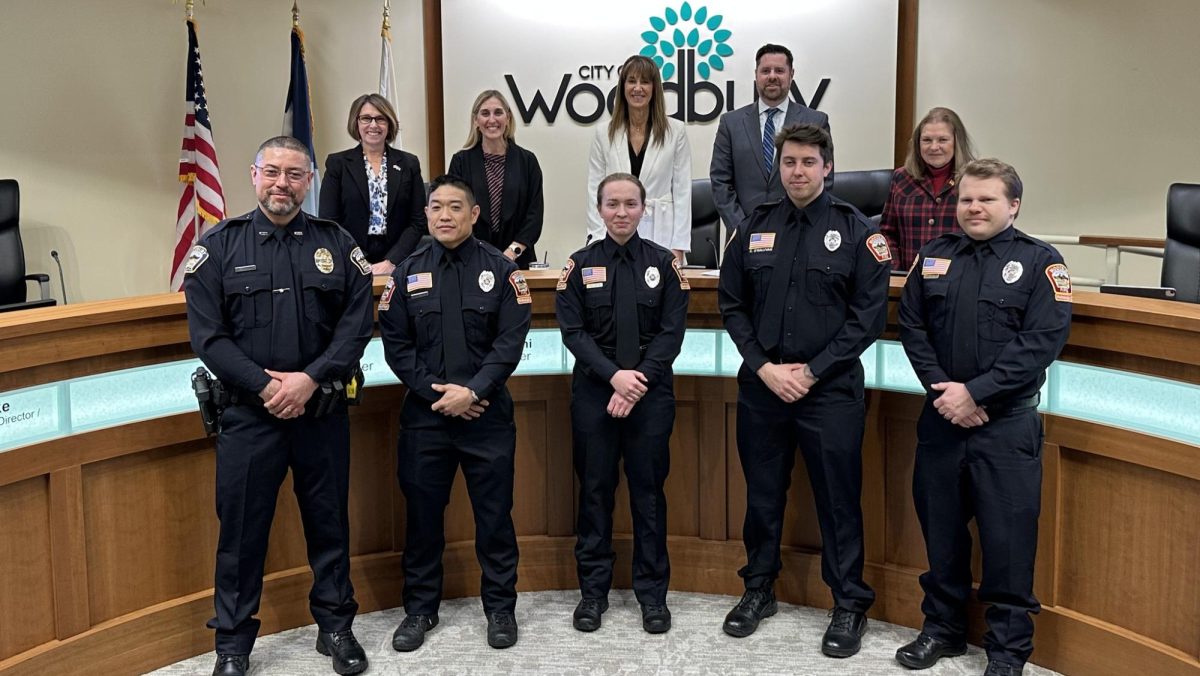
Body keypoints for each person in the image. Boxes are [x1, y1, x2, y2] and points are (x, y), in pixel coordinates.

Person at [183, 136, 373, 676]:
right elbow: (209, 338)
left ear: (309, 180)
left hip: (322, 413)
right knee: (241, 534)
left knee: (329, 524)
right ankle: (233, 645)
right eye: (272, 172)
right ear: (253, 174)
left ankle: (336, 627)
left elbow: (356, 325)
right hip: (248, 416)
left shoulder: (337, 243)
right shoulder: (219, 246)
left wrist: (310, 380)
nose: (281, 184)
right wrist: (269, 388)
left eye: (294, 174)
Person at [717, 124, 891, 657]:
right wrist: (764, 367)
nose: (797, 171)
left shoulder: (858, 232)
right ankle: (759, 588)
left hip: (830, 391)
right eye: (789, 162)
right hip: (763, 387)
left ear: (827, 167)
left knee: (838, 500)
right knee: (763, 495)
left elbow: (867, 320)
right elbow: (732, 304)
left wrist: (811, 372)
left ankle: (848, 604)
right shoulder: (754, 227)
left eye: (808, 163)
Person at [895, 159, 1071, 676]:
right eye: (967, 198)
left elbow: (1041, 342)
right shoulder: (933, 256)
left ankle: (1008, 651)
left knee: (1008, 541)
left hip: (1006, 427)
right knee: (942, 533)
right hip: (942, 420)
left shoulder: (1041, 263)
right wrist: (946, 393)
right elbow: (912, 327)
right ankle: (943, 630)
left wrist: (976, 393)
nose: (974, 207)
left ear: (1013, 205)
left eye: (987, 199)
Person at [378, 174, 532, 652]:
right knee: (423, 519)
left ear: (474, 214)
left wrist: (474, 391)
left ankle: (501, 609)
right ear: (426, 215)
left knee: (494, 518)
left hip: (486, 415)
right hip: (426, 419)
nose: (444, 216)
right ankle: (420, 610)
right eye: (435, 208)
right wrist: (438, 394)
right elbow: (396, 345)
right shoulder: (406, 272)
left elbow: (510, 342)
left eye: (454, 207)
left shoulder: (503, 271)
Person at [555, 172, 689, 635]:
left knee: (649, 496)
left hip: (649, 396)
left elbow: (672, 332)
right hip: (596, 394)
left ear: (643, 208)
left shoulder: (664, 265)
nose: (621, 213)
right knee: (594, 494)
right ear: (599, 208)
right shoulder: (578, 265)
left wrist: (636, 382)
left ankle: (653, 596)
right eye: (612, 204)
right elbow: (573, 332)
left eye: (630, 204)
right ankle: (593, 594)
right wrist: (614, 377)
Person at [710, 43, 831, 231]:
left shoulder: (815, 120)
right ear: (756, 75)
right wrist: (742, 228)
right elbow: (720, 181)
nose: (772, 76)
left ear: (791, 75)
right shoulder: (730, 123)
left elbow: (824, 180)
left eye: (780, 70)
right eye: (765, 70)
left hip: (800, 231)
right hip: (744, 232)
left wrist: (806, 224)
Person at [586, 55, 691, 263]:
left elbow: (682, 192)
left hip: (662, 234)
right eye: (632, 81)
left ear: (654, 88)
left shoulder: (675, 131)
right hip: (616, 233)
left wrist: (678, 246)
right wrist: (596, 240)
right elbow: (594, 192)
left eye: (645, 81)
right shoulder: (603, 132)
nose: (638, 88)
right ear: (623, 87)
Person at [320, 93, 427, 276]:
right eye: (366, 118)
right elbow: (330, 221)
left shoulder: (409, 164)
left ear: (389, 124)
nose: (373, 125)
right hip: (349, 262)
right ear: (356, 123)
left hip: (399, 263)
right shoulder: (338, 164)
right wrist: (358, 262)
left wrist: (391, 262)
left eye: (380, 119)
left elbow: (417, 221)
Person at [448, 90, 545, 269]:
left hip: (518, 261)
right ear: (476, 120)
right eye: (485, 113)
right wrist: (483, 254)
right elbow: (456, 211)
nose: (492, 120)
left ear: (508, 118)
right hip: (471, 260)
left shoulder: (527, 161)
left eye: (498, 112)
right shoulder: (461, 162)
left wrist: (512, 252)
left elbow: (534, 216)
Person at [879, 107, 977, 270]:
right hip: (907, 281)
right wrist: (894, 270)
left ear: (956, 142)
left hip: (959, 281)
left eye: (942, 140)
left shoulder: (974, 179)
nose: (934, 147)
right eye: (927, 140)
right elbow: (886, 233)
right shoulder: (902, 178)